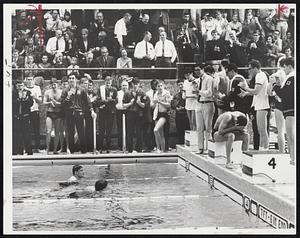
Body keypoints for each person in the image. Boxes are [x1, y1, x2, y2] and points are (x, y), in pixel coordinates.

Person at [61, 73, 97, 153]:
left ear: (76, 80)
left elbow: (87, 101)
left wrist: (92, 110)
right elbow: (62, 104)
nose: (71, 80)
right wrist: (68, 97)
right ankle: (72, 150)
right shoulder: (65, 90)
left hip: (79, 112)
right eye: (69, 78)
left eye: (72, 78)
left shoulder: (82, 89)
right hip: (69, 113)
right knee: (70, 133)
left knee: (81, 132)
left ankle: (84, 151)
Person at [238, 60, 270, 150]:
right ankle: (262, 148)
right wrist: (246, 93)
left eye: (250, 69)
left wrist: (246, 88)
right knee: (261, 131)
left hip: (262, 106)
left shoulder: (260, 76)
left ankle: (265, 150)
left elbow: (256, 91)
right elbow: (257, 93)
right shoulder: (260, 75)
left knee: (262, 130)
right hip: (260, 105)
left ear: (255, 68)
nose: (249, 71)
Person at [272, 58, 294, 165]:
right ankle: (292, 157)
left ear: (289, 66)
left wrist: (275, 85)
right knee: (289, 135)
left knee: (291, 135)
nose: (284, 69)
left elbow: (283, 94)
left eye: (284, 67)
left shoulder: (291, 78)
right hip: (289, 110)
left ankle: (293, 158)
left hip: (291, 110)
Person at [123, 77, 149, 153]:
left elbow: (145, 105)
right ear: (132, 84)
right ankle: (129, 148)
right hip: (130, 114)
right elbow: (124, 105)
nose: (136, 86)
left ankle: (139, 148)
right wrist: (130, 104)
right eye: (135, 84)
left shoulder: (142, 93)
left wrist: (139, 103)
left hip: (139, 114)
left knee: (139, 132)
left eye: (137, 84)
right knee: (129, 132)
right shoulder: (127, 93)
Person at [195, 65, 215, 154]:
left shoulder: (209, 79)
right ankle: (200, 147)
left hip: (208, 103)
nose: (197, 72)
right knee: (199, 127)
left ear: (203, 69)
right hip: (199, 103)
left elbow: (210, 93)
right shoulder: (198, 80)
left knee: (208, 127)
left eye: (199, 70)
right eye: (195, 70)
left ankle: (208, 148)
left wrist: (199, 92)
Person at [95, 75, 118, 153]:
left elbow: (116, 101)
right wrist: (104, 101)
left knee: (109, 130)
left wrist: (110, 100)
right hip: (102, 112)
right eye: (107, 82)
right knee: (101, 130)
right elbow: (97, 101)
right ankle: (100, 147)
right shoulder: (100, 89)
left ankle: (108, 147)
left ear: (111, 82)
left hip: (110, 112)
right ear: (105, 82)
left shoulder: (114, 90)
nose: (108, 83)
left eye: (109, 82)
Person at [12, 79, 33, 155]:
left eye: (21, 85)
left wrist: (24, 99)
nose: (20, 87)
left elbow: (31, 103)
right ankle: (16, 151)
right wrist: (19, 99)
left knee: (26, 134)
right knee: (16, 134)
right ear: (16, 86)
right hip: (16, 116)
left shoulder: (28, 92)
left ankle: (29, 151)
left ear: (24, 86)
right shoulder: (13, 93)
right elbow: (12, 104)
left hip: (25, 116)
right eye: (18, 85)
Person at [43, 78, 64, 154]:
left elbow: (63, 104)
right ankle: (47, 148)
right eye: (52, 84)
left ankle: (55, 149)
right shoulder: (47, 92)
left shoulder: (61, 92)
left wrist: (56, 103)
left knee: (57, 132)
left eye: (55, 84)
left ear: (57, 84)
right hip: (50, 112)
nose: (53, 86)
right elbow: (43, 102)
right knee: (48, 131)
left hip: (58, 113)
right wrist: (49, 103)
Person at [24, 75, 42, 153]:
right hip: (26, 112)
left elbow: (40, 101)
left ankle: (37, 147)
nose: (30, 81)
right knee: (26, 130)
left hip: (35, 110)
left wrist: (35, 97)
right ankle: (27, 148)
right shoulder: (24, 88)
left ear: (33, 80)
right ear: (26, 80)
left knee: (36, 130)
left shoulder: (37, 88)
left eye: (31, 79)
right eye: (28, 79)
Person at [153, 79, 172, 152]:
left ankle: (159, 148)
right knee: (160, 134)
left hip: (164, 114)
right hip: (157, 113)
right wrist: (154, 103)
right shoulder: (156, 94)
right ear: (156, 87)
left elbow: (168, 105)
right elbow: (153, 105)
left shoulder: (166, 93)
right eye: (158, 86)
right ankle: (161, 149)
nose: (160, 87)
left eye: (161, 86)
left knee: (155, 130)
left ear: (163, 86)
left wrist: (160, 102)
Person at [171, 79, 190, 144]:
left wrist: (184, 108)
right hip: (178, 114)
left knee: (187, 130)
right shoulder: (176, 95)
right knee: (179, 130)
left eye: (181, 84)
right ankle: (180, 143)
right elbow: (172, 104)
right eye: (179, 85)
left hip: (186, 114)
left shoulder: (188, 94)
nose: (180, 86)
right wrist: (176, 107)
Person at [145, 79, 159, 151]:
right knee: (150, 129)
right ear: (151, 85)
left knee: (157, 129)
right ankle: (151, 145)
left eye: (156, 84)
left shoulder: (160, 92)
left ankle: (158, 145)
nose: (155, 86)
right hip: (150, 112)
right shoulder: (147, 93)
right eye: (153, 84)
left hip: (158, 111)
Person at [116, 80, 129, 151]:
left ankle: (127, 145)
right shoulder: (118, 93)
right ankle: (120, 145)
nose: (124, 87)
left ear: (128, 86)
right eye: (123, 85)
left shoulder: (130, 93)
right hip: (119, 112)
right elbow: (116, 103)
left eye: (126, 85)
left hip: (128, 112)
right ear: (121, 86)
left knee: (127, 129)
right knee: (120, 129)